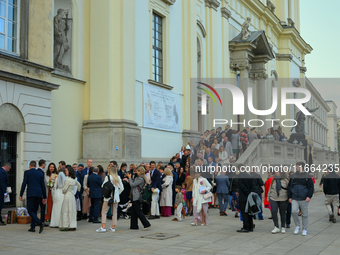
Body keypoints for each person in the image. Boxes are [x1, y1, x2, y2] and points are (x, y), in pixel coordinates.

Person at [19, 161, 46, 233]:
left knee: (30, 210)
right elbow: (43, 185)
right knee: (35, 210)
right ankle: (32, 227)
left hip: (31, 193)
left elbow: (24, 183)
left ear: (30, 166)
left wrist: (21, 194)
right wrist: (45, 197)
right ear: (36, 166)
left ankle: (39, 223)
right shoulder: (40, 173)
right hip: (39, 194)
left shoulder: (27, 172)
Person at [288, 162, 314, 236]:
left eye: (297, 166)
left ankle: (304, 229)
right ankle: (297, 226)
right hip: (294, 197)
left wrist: (309, 196)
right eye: (296, 166)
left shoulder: (307, 176)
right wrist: (289, 197)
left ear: (301, 167)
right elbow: (289, 186)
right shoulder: (293, 176)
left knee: (304, 214)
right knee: (293, 212)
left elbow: (311, 187)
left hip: (304, 198)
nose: (296, 168)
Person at [97, 166, 124, 233]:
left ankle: (103, 227)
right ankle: (113, 227)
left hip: (108, 197)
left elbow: (103, 186)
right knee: (114, 212)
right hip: (116, 198)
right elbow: (122, 188)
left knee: (104, 211)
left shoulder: (108, 177)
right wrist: (117, 194)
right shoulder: (118, 177)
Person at [59, 165, 81, 231]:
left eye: (66, 171)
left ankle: (65, 225)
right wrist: (76, 190)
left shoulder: (68, 180)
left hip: (67, 196)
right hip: (72, 196)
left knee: (65, 211)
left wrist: (63, 190)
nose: (65, 172)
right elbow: (79, 186)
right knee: (72, 211)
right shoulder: (74, 179)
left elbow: (64, 190)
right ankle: (72, 225)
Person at [237, 164, 255, 233]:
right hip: (249, 196)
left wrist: (247, 192)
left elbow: (242, 186)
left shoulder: (240, 176)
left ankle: (245, 227)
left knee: (244, 212)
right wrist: (250, 193)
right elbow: (252, 185)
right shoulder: (249, 175)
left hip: (243, 196)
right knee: (249, 211)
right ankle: (250, 226)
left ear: (239, 168)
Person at [37, 159, 48, 227]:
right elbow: (42, 184)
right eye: (45, 164)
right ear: (43, 164)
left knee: (37, 207)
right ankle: (42, 221)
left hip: (37, 192)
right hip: (40, 193)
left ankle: (36, 221)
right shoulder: (41, 172)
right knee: (42, 207)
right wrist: (44, 195)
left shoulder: (38, 171)